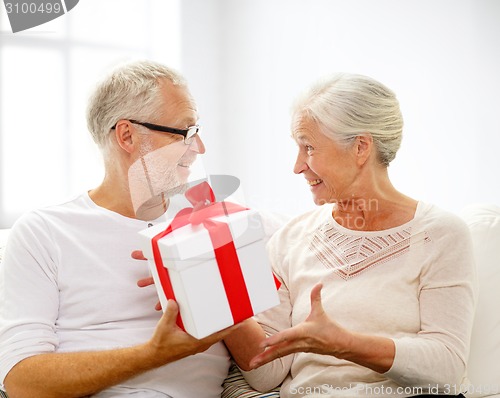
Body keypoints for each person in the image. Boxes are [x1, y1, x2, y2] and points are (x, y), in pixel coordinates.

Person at [224, 73, 477, 397]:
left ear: (360, 147)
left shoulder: (439, 235)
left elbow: (447, 369)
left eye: (309, 147)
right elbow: (265, 373)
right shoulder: (289, 239)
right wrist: (214, 296)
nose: (298, 166)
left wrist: (345, 344)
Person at [0, 60, 236, 397]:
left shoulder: (208, 215)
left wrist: (217, 287)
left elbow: (260, 363)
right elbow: (22, 382)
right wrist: (154, 354)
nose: (198, 148)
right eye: (185, 132)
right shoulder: (44, 231)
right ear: (127, 135)